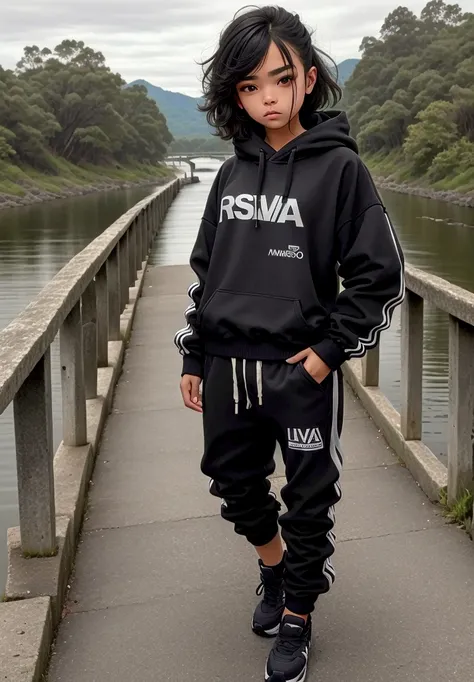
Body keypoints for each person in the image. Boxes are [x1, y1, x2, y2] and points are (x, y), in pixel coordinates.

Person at [174, 6, 404, 681]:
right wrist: (194, 352)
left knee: (310, 499)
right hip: (226, 367)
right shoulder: (229, 174)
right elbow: (206, 273)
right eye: (248, 86)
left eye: (279, 80)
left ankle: (298, 613)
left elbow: (379, 274)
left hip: (299, 371)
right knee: (234, 488)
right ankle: (274, 568)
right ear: (233, 95)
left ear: (308, 79)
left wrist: (330, 351)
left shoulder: (341, 171)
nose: (266, 98)